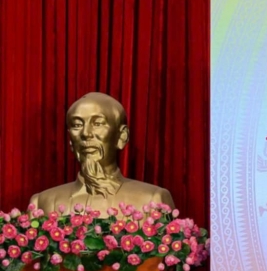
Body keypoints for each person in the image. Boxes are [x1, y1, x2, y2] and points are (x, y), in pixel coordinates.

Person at [29, 92, 174, 214]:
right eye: (77, 125)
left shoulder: (152, 200)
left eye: (98, 124)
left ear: (121, 136)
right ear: (70, 140)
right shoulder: (42, 203)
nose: (86, 134)